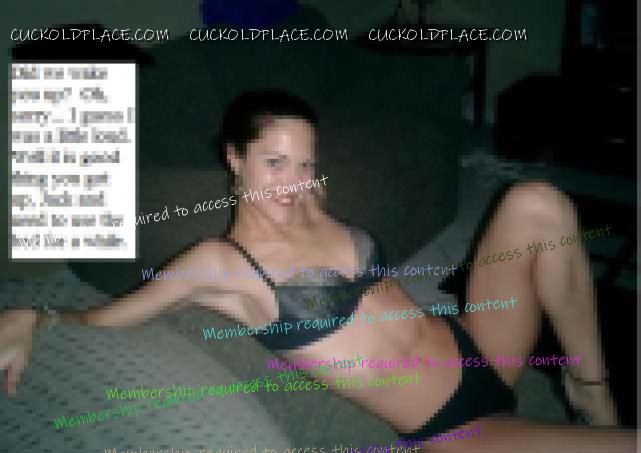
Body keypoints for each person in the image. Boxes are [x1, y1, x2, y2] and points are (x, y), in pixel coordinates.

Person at [0, 90, 634, 452]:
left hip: (477, 349)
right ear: (234, 159)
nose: (295, 183)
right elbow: (109, 318)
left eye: (306, 165)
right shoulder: (218, 265)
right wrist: (36, 316)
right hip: (458, 428)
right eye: (275, 164)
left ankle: (590, 388)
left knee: (537, 202)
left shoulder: (311, 201)